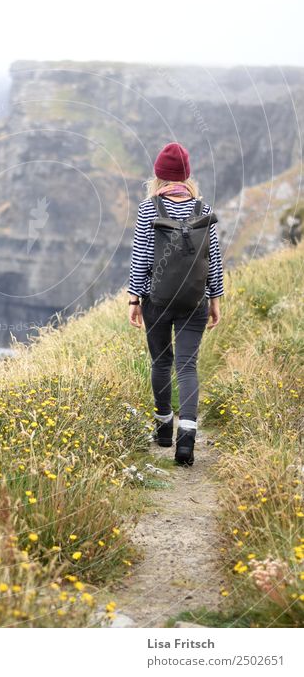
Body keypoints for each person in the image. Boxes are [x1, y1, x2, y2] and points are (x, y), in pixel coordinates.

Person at [128, 142, 224, 465]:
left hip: (156, 299)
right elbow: (214, 260)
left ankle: (164, 426)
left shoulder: (149, 209)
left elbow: (141, 255)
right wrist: (215, 298)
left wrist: (134, 298)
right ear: (187, 175)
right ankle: (186, 440)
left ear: (159, 176)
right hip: (194, 300)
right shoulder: (204, 210)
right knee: (187, 366)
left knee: (161, 362)